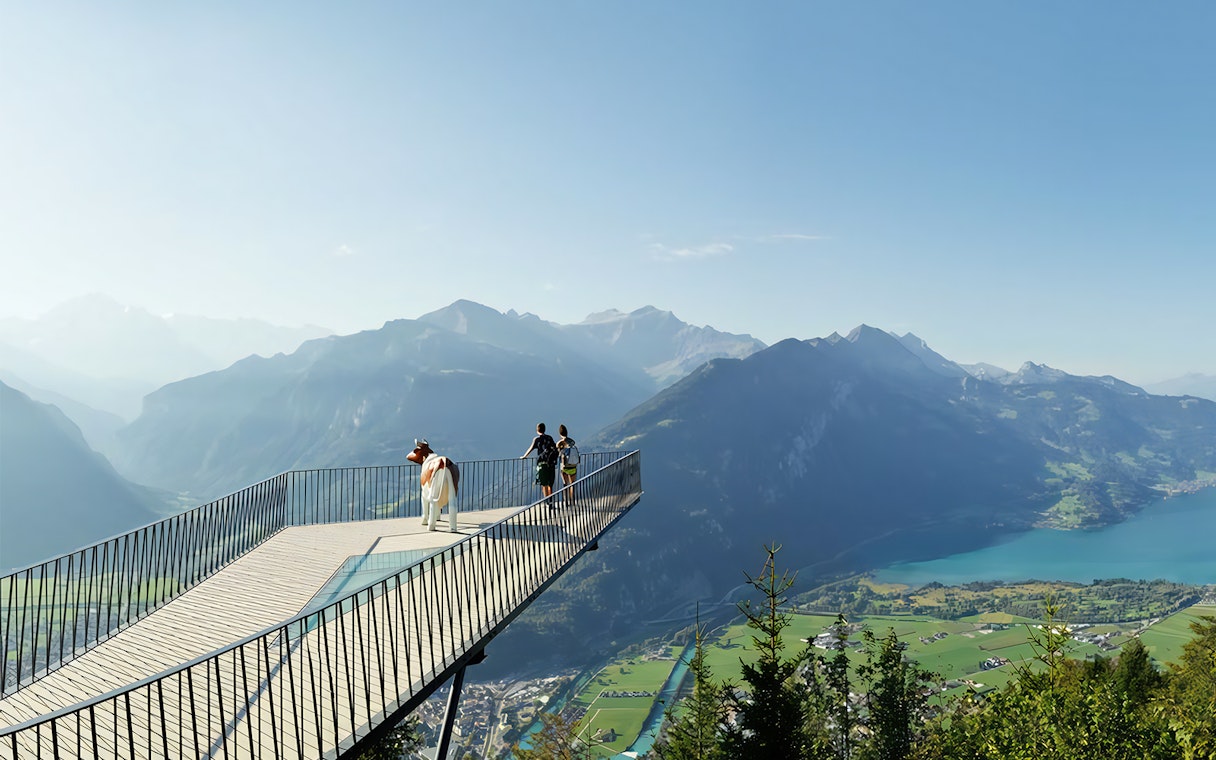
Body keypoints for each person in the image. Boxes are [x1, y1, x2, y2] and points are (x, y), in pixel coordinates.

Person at [521, 422, 559, 507]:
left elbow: (530, 449)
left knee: (543, 484)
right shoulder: (550, 438)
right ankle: (551, 500)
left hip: (542, 464)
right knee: (550, 484)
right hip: (551, 464)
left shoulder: (537, 439)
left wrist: (524, 456)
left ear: (537, 430)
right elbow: (555, 448)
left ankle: (547, 501)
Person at [556, 424, 579, 506]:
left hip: (564, 466)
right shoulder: (572, 442)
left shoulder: (560, 443)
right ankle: (572, 500)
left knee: (565, 484)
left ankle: (566, 501)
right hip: (573, 465)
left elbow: (558, 453)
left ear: (560, 433)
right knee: (572, 483)